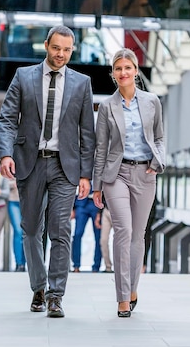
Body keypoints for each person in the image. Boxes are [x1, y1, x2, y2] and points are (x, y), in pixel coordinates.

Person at [0, 25, 96, 318]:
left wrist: (86, 174)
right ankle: (38, 287)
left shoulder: (82, 83)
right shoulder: (23, 76)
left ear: (72, 50)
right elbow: (6, 119)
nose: (61, 54)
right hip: (31, 162)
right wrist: (5, 153)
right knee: (30, 230)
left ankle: (55, 295)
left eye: (67, 50)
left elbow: (87, 133)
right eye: (56, 48)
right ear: (46, 45)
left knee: (61, 231)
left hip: (66, 166)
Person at [92, 48, 165, 318]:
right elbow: (101, 148)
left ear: (136, 71)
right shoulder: (106, 106)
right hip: (116, 174)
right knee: (122, 231)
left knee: (138, 235)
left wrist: (159, 162)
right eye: (118, 68)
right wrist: (98, 184)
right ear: (113, 74)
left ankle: (133, 288)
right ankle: (123, 297)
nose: (123, 73)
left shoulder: (152, 101)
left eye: (128, 68)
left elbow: (159, 138)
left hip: (146, 174)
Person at [71, 191, 101, 273]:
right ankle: (76, 265)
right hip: (81, 202)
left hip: (97, 204)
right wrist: (72, 207)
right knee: (77, 234)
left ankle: (96, 266)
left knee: (98, 236)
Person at [7, 178, 26, 272]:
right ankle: (19, 263)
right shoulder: (10, 164)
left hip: (28, 202)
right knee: (18, 231)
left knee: (27, 232)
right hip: (13, 201)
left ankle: (26, 262)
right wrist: (12, 184)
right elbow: (1, 180)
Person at [97, 202, 114, 273]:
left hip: (120, 211)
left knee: (121, 240)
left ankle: (121, 267)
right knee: (103, 240)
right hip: (106, 210)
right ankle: (108, 267)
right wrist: (99, 213)